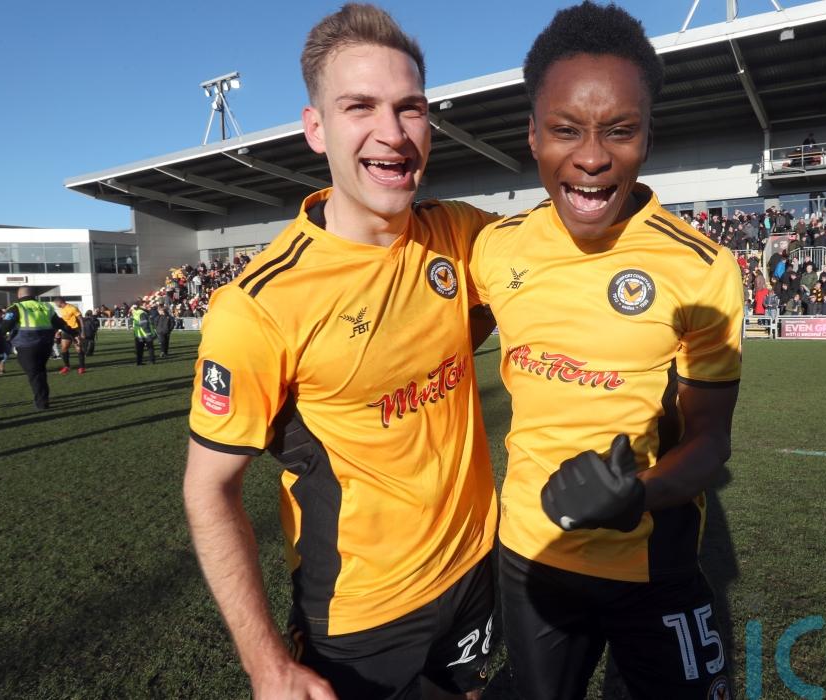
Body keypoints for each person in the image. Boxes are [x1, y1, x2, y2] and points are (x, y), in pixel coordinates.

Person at [182, 5, 498, 699]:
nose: (393, 132)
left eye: (411, 108)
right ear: (315, 128)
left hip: (475, 564)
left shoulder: (461, 233)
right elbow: (208, 490)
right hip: (362, 616)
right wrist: (266, 665)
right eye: (360, 106)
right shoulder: (259, 305)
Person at [470, 4, 741, 697]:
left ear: (647, 135)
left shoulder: (701, 268)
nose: (591, 157)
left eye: (619, 130)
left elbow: (711, 441)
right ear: (534, 134)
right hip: (529, 554)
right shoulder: (495, 250)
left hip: (653, 563)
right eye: (566, 130)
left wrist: (638, 495)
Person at [4, 286, 79, 410]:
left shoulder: (16, 307)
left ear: (19, 295)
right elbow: (60, 323)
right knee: (40, 371)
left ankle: (42, 402)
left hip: (26, 345)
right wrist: (75, 334)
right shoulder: (46, 306)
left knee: (34, 374)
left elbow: (5, 326)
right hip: (45, 345)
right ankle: (43, 398)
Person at [53, 299, 83, 375]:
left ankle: (81, 367)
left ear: (59, 302)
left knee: (78, 348)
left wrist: (83, 332)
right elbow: (64, 322)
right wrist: (59, 331)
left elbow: (81, 319)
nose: (56, 305)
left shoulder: (72, 308)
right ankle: (67, 367)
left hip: (75, 330)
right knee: (64, 348)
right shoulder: (61, 309)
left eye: (56, 303)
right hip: (66, 331)